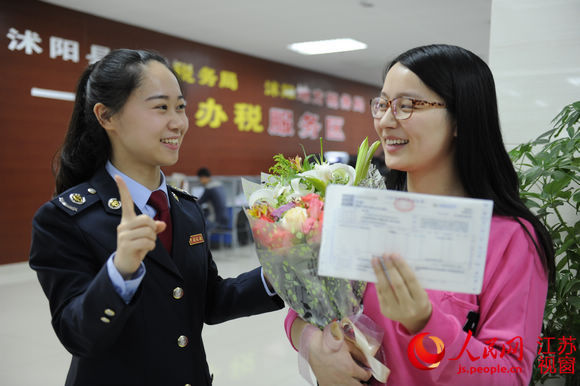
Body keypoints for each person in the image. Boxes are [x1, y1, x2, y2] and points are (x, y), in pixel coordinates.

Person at [284, 44, 554, 385]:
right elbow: (301, 309)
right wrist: (313, 346)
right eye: (382, 104)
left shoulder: (511, 239)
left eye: (407, 106)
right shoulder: (367, 212)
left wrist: (425, 323)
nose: (385, 121)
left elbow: (508, 375)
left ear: (460, 118)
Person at [29, 48, 283, 386]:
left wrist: (282, 272)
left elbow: (210, 300)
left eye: (180, 107)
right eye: (161, 107)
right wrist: (119, 271)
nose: (178, 122)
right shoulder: (64, 219)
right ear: (106, 117)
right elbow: (77, 334)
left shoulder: (185, 209)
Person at [196, 167, 230, 232]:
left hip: (215, 220)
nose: (200, 181)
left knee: (198, 227)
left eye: (200, 179)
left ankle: (205, 242)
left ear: (203, 177)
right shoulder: (219, 186)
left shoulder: (209, 188)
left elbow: (199, 203)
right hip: (225, 219)